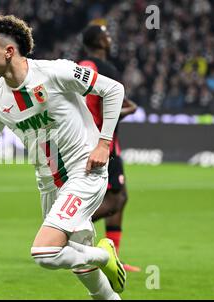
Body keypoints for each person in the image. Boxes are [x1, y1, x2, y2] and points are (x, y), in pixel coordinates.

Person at [0, 15, 126, 300]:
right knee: (87, 276)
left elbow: (114, 90)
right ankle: (104, 277)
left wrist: (104, 144)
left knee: (44, 252)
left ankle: (103, 255)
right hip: (49, 186)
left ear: (8, 51)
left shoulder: (54, 72)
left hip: (84, 170)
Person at [78, 24, 140, 272]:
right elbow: (106, 111)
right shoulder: (106, 69)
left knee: (115, 198)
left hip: (88, 139)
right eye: (107, 35)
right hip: (104, 143)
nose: (110, 39)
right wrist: (130, 109)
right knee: (117, 199)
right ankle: (64, 227)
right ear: (100, 42)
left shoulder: (81, 66)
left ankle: (112, 257)